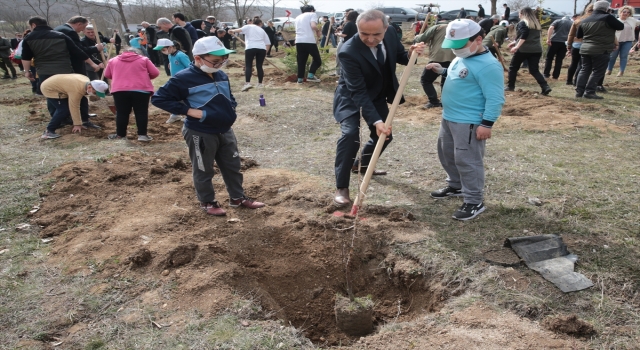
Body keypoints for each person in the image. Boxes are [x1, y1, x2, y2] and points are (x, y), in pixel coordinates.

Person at [151, 36, 265, 216]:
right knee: (204, 168)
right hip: (201, 132)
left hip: (225, 130)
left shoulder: (221, 74)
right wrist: (189, 111)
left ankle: (237, 197)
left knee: (232, 166)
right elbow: (159, 98)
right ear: (198, 58)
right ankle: (207, 201)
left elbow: (229, 96)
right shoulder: (183, 78)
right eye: (215, 61)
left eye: (223, 61)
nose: (220, 64)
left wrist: (231, 108)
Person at [332, 10, 425, 206]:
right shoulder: (348, 51)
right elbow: (358, 92)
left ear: (385, 28)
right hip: (351, 95)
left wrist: (411, 53)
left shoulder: (390, 34)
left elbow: (401, 57)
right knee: (350, 136)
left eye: (377, 34)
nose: (371, 39)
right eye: (365, 34)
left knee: (385, 136)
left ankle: (362, 164)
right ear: (357, 28)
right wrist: (376, 121)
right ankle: (342, 187)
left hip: (377, 94)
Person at [425, 19, 505, 220]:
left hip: (469, 121)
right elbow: (461, 76)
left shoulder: (489, 66)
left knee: (467, 160)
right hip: (449, 117)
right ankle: (456, 186)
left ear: (478, 39)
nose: (455, 50)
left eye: (459, 45)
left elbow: (495, 98)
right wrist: (441, 71)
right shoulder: (461, 57)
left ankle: (474, 201)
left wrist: (487, 123)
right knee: (447, 154)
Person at [22, 16, 101, 126]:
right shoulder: (60, 35)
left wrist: (27, 71)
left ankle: (60, 119)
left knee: (52, 94)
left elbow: (25, 56)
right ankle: (82, 118)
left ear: (34, 25)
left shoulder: (29, 38)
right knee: (77, 91)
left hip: (45, 71)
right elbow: (77, 51)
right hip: (64, 69)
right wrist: (92, 63)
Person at [103, 48, 159, 141]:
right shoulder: (144, 59)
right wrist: (144, 77)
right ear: (136, 53)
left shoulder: (113, 60)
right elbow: (155, 73)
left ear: (122, 53)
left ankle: (120, 135)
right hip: (141, 89)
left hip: (120, 90)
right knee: (141, 112)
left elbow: (107, 74)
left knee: (121, 112)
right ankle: (142, 135)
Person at [575, 0, 623, 99]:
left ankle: (579, 92)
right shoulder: (607, 17)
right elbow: (620, 26)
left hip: (585, 49)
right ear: (607, 8)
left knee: (584, 69)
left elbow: (578, 35)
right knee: (598, 71)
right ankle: (589, 92)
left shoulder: (585, 20)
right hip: (601, 49)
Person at [39, 74, 108, 139]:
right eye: (95, 93)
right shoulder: (76, 90)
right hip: (49, 88)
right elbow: (74, 107)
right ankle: (49, 131)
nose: (95, 95)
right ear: (89, 87)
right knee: (64, 110)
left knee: (83, 100)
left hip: (64, 85)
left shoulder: (86, 82)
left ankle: (85, 121)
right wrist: (77, 124)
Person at [505, 7, 552, 95]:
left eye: (519, 13)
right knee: (534, 70)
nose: (518, 15)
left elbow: (524, 35)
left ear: (522, 14)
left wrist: (516, 47)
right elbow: (525, 36)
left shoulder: (522, 23)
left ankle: (510, 86)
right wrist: (514, 42)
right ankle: (545, 86)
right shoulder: (536, 24)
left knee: (513, 67)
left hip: (524, 49)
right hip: (536, 49)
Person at [414, 21, 455, 108]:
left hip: (438, 57)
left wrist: (417, 37)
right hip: (453, 57)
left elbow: (422, 39)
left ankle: (433, 101)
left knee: (426, 80)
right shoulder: (455, 28)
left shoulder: (437, 27)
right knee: (446, 81)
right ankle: (446, 102)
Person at [153, 38, 191, 123]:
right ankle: (175, 114)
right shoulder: (170, 55)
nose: (163, 52)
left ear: (170, 47)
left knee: (185, 99)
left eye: (163, 49)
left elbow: (189, 67)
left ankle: (188, 115)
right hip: (175, 80)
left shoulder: (181, 55)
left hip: (183, 81)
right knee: (175, 97)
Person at [229, 17, 270, 91]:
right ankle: (260, 84)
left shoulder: (248, 26)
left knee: (248, 65)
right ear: (260, 24)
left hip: (250, 47)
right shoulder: (262, 30)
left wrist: (232, 30)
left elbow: (239, 30)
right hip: (262, 48)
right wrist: (265, 53)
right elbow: (268, 44)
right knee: (259, 66)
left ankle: (247, 83)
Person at [294, 5, 322, 84]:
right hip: (309, 40)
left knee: (301, 60)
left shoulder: (297, 17)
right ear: (312, 10)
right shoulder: (312, 14)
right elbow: (313, 25)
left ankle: (300, 80)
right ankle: (310, 75)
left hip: (299, 40)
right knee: (317, 60)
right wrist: (318, 31)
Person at [607, 5, 637, 77]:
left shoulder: (632, 20)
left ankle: (621, 71)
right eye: (624, 12)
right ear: (620, 12)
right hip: (616, 41)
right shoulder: (616, 21)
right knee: (612, 56)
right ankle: (609, 70)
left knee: (623, 56)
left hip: (628, 41)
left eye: (628, 12)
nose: (626, 13)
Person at [566, 6, 593, 86]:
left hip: (576, 43)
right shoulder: (594, 20)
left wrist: (569, 45)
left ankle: (569, 80)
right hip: (587, 44)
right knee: (582, 64)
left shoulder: (578, 20)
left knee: (574, 63)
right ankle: (576, 81)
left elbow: (571, 34)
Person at [336, 10, 358, 76]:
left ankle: (339, 72)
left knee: (339, 56)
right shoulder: (357, 24)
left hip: (345, 42)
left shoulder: (349, 23)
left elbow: (344, 34)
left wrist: (337, 34)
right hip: (354, 43)